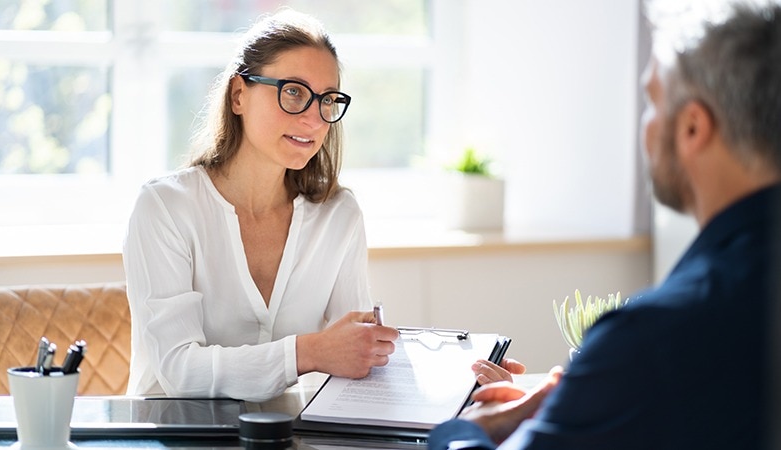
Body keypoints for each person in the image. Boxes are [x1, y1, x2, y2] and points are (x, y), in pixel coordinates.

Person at [430, 0, 781, 448]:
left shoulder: (655, 338)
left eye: (652, 102)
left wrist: (467, 429)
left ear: (693, 127)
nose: (646, 127)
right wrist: (580, 414)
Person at [122, 9, 399, 402]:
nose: (314, 119)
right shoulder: (165, 207)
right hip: (175, 436)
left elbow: (355, 354)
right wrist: (311, 352)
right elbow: (180, 371)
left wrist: (463, 383)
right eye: (293, 92)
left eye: (327, 100)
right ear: (239, 95)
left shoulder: (340, 214)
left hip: (288, 436)